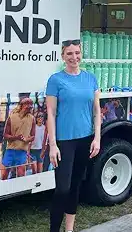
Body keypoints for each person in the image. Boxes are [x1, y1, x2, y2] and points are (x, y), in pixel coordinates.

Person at [46, 40, 101, 232]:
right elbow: (51, 114)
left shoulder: (91, 78)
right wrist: (53, 145)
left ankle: (69, 229)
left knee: (75, 186)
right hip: (64, 141)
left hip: (85, 139)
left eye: (77, 53)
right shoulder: (55, 80)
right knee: (63, 188)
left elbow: (96, 111)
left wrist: (97, 138)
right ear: (63, 56)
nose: (74, 57)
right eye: (69, 53)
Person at [0, 96, 35, 180]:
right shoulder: (12, 117)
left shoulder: (32, 119)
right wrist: (16, 137)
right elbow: (5, 135)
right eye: (28, 104)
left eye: (31, 104)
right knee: (4, 175)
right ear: (21, 105)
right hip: (10, 150)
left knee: (21, 175)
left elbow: (33, 136)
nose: (30, 106)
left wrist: (27, 139)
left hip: (22, 151)